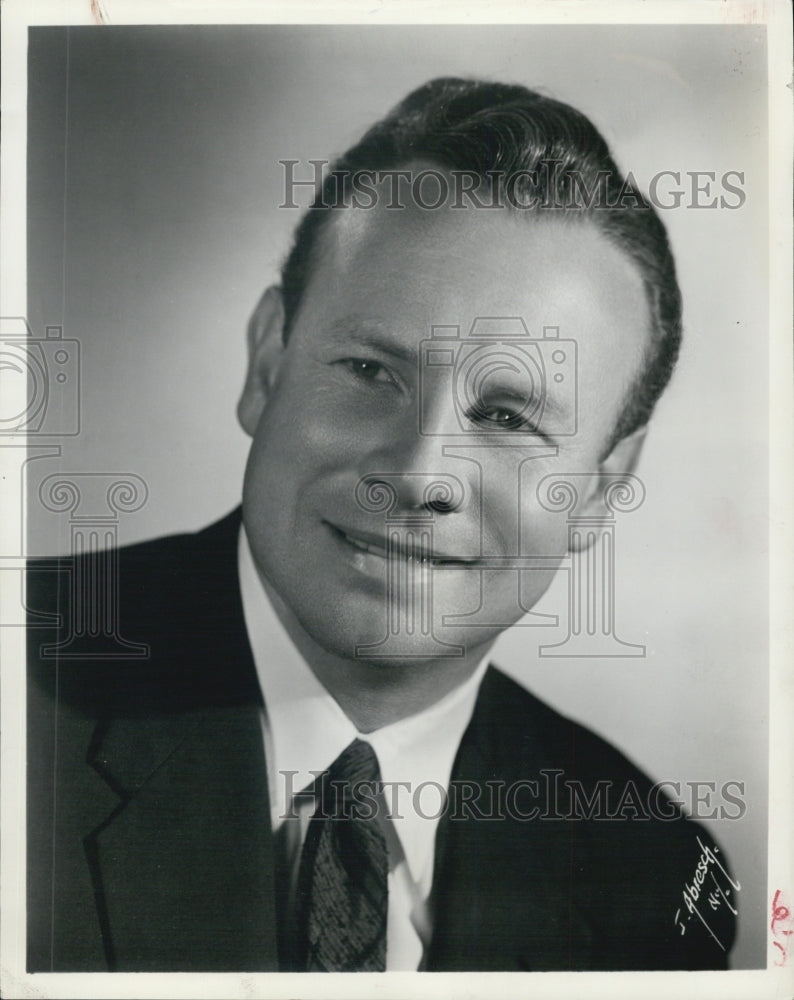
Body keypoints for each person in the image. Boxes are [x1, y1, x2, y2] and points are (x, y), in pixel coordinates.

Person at [27, 77, 736, 973]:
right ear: (268, 361)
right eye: (369, 370)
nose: (417, 475)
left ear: (600, 488)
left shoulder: (655, 880)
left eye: (510, 419)